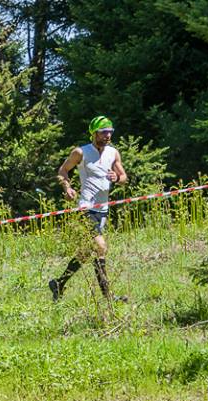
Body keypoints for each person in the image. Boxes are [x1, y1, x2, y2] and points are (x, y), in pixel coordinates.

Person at [49, 115, 127, 302]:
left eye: (110, 132)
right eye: (103, 132)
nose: (108, 135)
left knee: (86, 252)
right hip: (86, 208)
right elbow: (63, 171)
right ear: (94, 133)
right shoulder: (80, 152)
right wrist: (67, 188)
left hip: (103, 209)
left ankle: (59, 283)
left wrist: (117, 178)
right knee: (101, 247)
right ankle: (108, 297)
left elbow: (124, 177)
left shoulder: (113, 153)